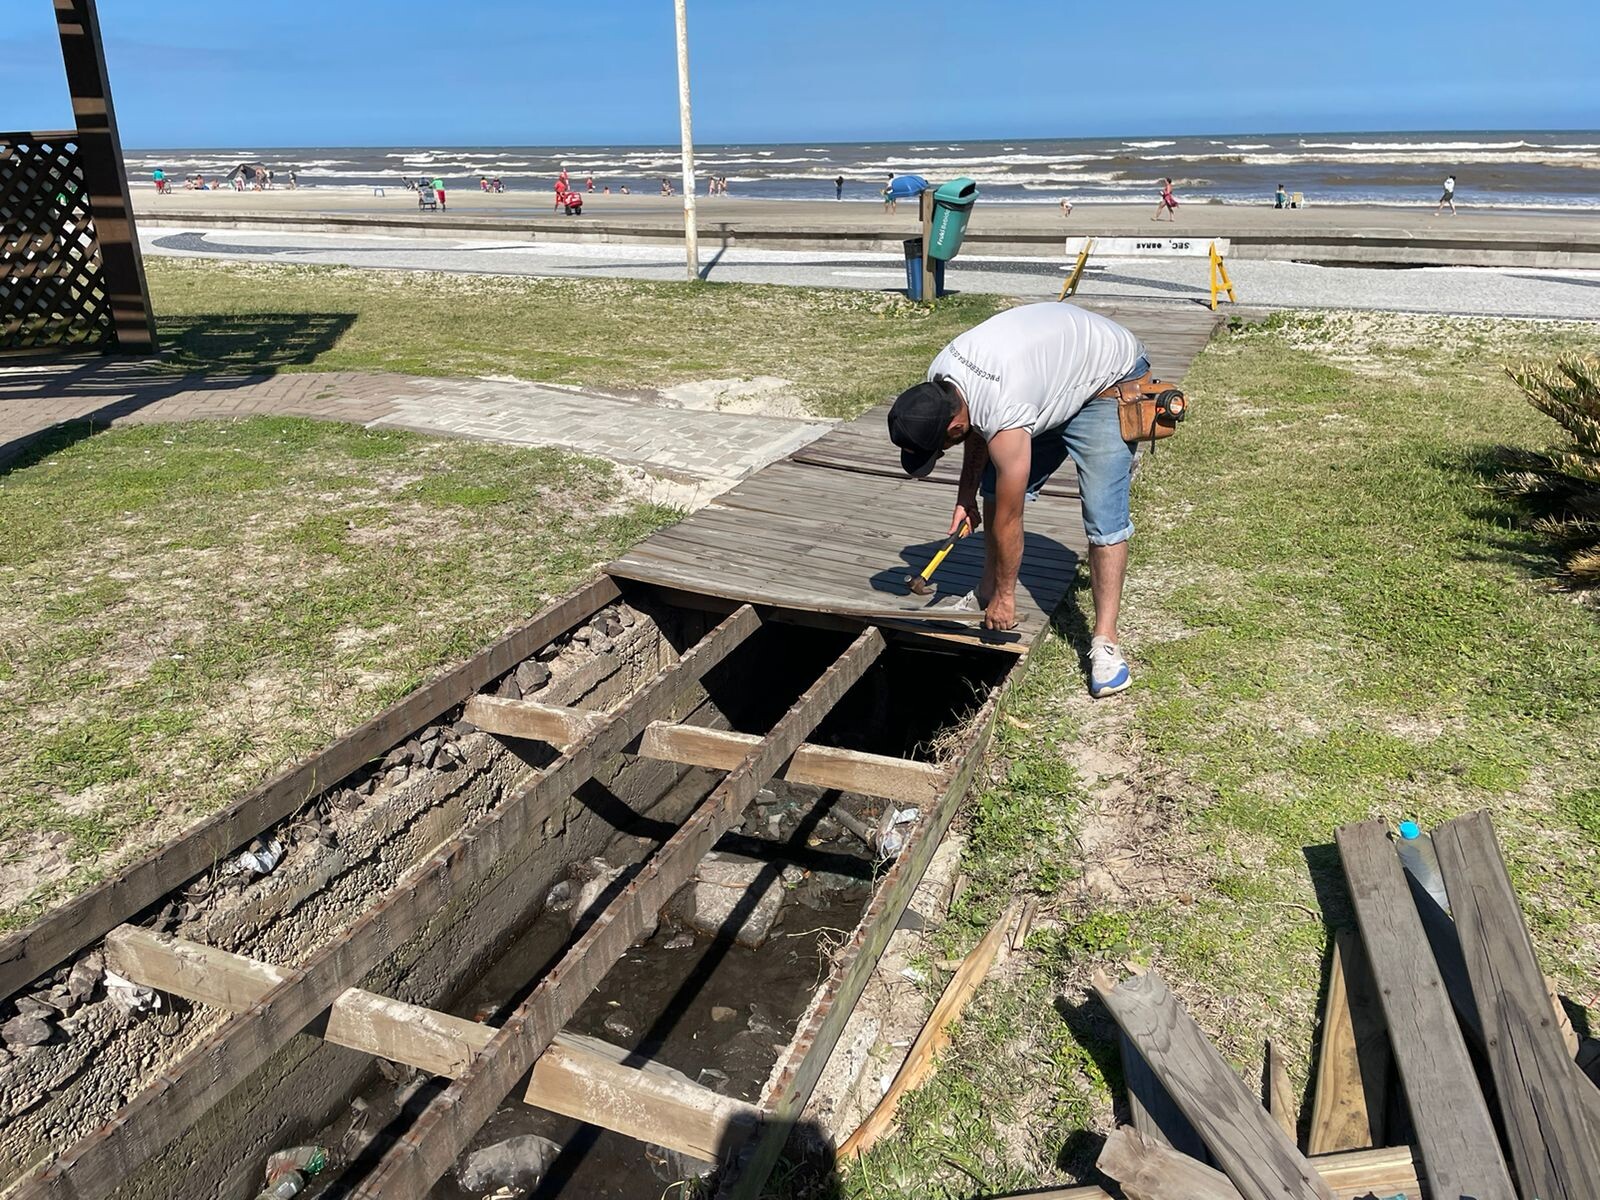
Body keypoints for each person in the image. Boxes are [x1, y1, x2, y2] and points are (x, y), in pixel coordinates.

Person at [887, 302, 1154, 697]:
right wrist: (967, 498)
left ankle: (1106, 643)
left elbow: (1010, 518)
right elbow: (975, 430)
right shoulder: (943, 376)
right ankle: (985, 592)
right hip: (1047, 380)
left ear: (953, 424)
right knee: (992, 489)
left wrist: (1009, 598)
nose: (940, 454)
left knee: (1103, 516)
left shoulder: (1005, 407)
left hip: (1108, 382)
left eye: (939, 448)